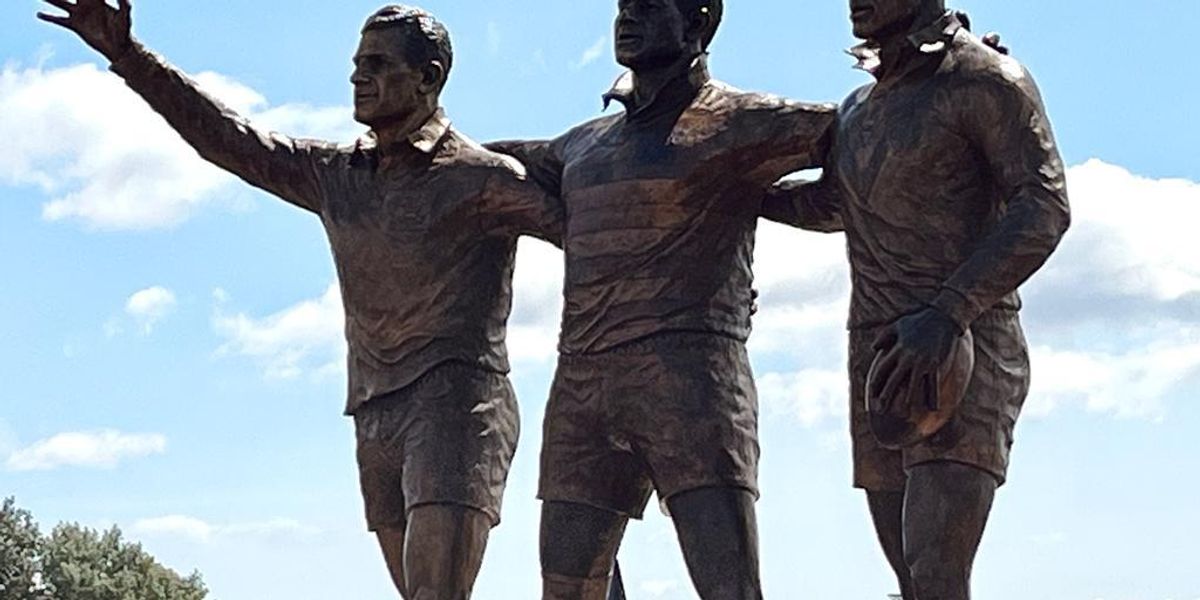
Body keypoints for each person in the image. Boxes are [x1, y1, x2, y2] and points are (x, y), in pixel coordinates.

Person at [39, 2, 563, 598]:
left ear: (430, 76)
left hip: (459, 403)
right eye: (356, 63)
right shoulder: (335, 174)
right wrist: (130, 57)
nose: (357, 77)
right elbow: (230, 139)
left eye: (378, 64)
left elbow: (596, 238)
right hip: (374, 407)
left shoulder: (484, 178)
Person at [488, 0, 837, 597]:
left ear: (698, 22)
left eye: (648, 6)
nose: (627, 17)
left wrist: (771, 201)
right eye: (624, 6)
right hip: (584, 386)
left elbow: (872, 139)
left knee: (727, 585)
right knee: (566, 585)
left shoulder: (741, 122)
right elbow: (482, 167)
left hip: (694, 383)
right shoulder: (582, 146)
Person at [763, 2, 1069, 598]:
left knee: (935, 569)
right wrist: (735, 192)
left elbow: (1044, 205)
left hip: (963, 340)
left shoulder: (985, 79)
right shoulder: (857, 108)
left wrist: (950, 311)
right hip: (879, 355)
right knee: (909, 575)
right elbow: (834, 205)